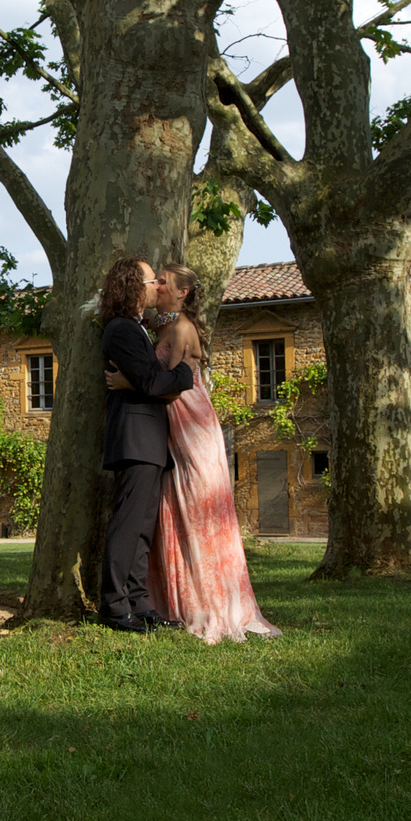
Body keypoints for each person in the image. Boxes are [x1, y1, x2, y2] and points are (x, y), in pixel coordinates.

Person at [140, 265, 280, 643]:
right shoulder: (160, 326)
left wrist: (127, 381)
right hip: (171, 425)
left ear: (182, 293)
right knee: (174, 505)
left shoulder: (182, 328)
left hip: (191, 422)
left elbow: (171, 385)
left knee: (200, 508)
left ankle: (211, 603)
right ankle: (178, 600)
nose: (158, 284)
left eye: (164, 281)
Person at [96, 257, 195, 633]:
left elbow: (147, 381)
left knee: (142, 528)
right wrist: (186, 371)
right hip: (134, 439)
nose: (158, 287)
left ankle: (139, 604)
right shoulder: (120, 330)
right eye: (153, 280)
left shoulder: (138, 328)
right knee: (127, 525)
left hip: (150, 439)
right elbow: (154, 383)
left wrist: (146, 380)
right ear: (135, 286)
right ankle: (114, 606)